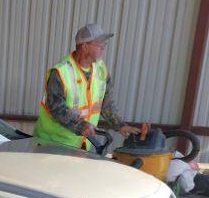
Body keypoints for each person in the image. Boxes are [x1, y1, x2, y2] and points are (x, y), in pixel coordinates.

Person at [33, 23, 140, 151]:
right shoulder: (61, 72)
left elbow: (106, 103)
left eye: (104, 45)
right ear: (84, 47)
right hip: (52, 145)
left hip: (81, 145)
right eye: (100, 45)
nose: (103, 48)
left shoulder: (101, 70)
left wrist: (120, 125)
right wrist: (81, 125)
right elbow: (57, 108)